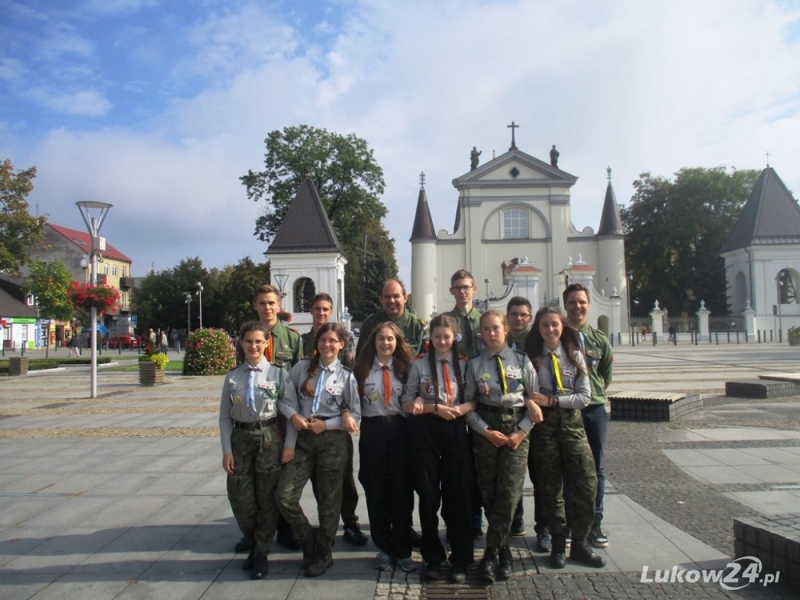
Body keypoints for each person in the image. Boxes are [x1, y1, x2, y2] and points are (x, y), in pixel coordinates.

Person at [276, 323, 360, 577]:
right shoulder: (302, 368)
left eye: (333, 340)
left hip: (331, 440)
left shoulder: (347, 376)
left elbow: (356, 415)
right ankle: (309, 539)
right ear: (316, 343)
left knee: (329, 501)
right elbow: (284, 400)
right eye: (323, 340)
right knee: (284, 495)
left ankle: (323, 552)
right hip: (303, 437)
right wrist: (293, 420)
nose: (327, 345)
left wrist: (329, 424)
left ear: (341, 345)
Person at [525, 306, 606, 569]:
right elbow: (528, 393)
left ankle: (580, 541)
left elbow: (584, 397)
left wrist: (551, 400)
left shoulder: (574, 356)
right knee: (551, 488)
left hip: (572, 427)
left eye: (555, 325)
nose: (550, 329)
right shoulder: (531, 359)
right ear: (538, 329)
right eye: (545, 325)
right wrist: (542, 402)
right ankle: (559, 542)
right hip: (545, 430)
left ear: (563, 327)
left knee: (586, 483)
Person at [465, 310, 542, 584]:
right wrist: (485, 432)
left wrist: (521, 433)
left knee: (509, 494)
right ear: (481, 334)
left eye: (496, 328)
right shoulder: (474, 365)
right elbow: (469, 407)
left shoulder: (522, 362)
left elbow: (534, 402)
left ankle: (489, 555)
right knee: (489, 495)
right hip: (486, 431)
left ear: (506, 329)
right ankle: (504, 551)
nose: (492, 333)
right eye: (486, 329)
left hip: (516, 431)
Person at [218, 321, 297, 580]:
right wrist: (226, 450)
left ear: (266, 344)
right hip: (240, 438)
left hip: (268, 437)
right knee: (240, 498)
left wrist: (288, 446)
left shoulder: (278, 374)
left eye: (258, 342)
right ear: (241, 344)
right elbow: (224, 418)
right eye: (248, 341)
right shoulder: (233, 376)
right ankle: (253, 541)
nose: (253, 346)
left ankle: (260, 552)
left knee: (266, 498)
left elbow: (289, 412)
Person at [403, 314, 476, 584]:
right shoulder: (419, 364)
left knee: (459, 493)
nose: (441, 341)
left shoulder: (465, 365)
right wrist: (433, 407)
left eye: (446, 336)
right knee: (428, 494)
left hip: (456, 429)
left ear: (454, 337)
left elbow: (473, 401)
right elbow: (407, 402)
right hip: (426, 431)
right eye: (436, 337)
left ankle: (461, 558)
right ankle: (433, 557)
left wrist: (460, 409)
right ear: (429, 338)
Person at [234, 284, 303, 555]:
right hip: (255, 418)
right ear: (255, 305)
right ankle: (252, 534)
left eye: (272, 302)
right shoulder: (246, 336)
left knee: (282, 479)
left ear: (279, 304)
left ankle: (285, 529)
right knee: (252, 479)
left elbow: (297, 379)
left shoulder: (292, 338)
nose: (267, 307)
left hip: (282, 421)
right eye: (262, 303)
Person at [301, 293, 366, 546]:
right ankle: (325, 521)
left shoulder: (341, 338)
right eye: (317, 309)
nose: (321, 313)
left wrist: (347, 410)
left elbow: (349, 376)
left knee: (345, 478)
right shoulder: (302, 340)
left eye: (326, 309)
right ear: (311, 310)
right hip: (307, 419)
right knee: (318, 478)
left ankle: (349, 521)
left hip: (336, 421)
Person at [352, 322, 416, 573]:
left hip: (401, 431)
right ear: (373, 341)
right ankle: (384, 547)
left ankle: (403, 549)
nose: (386, 343)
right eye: (381, 338)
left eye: (391, 339)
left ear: (398, 342)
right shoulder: (361, 369)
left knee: (402, 490)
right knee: (376, 489)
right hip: (373, 430)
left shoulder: (408, 369)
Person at [563, 283, 613, 549]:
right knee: (569, 469)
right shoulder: (557, 336)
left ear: (589, 304)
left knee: (597, 468)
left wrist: (591, 396)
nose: (577, 306)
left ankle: (596, 523)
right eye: (572, 302)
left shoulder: (599, 339)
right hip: (568, 411)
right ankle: (571, 523)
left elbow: (605, 376)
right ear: (565, 305)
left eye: (582, 302)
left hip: (594, 410)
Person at [506, 297, 551, 551]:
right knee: (512, 474)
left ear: (530, 317)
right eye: (514, 314)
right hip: (509, 417)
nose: (519, 318)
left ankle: (543, 528)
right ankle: (515, 520)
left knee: (541, 474)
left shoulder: (537, 344)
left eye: (523, 314)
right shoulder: (498, 341)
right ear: (507, 316)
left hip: (535, 416)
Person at [355, 279, 425, 357]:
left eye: (396, 296)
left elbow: (426, 361)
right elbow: (361, 359)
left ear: (405, 298)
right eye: (387, 297)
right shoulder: (370, 324)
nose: (392, 301)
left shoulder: (418, 326)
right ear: (381, 299)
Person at [444, 269, 482, 360]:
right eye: (457, 288)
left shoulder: (484, 321)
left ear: (474, 289)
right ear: (451, 291)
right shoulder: (444, 321)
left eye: (466, 287)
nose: (462, 291)